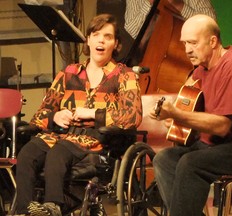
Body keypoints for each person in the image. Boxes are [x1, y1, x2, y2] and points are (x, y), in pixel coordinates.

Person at [150, 14, 232, 216]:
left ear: (212, 41)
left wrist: (177, 114)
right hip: (223, 143)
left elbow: (222, 125)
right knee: (164, 158)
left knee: (191, 163)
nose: (187, 50)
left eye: (193, 43)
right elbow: (194, 112)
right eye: (184, 43)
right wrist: (175, 120)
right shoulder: (200, 71)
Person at [15, 13, 142, 216]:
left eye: (108, 36)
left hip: (93, 139)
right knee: (28, 153)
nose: (101, 40)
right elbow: (41, 114)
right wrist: (55, 117)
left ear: (116, 44)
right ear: (88, 40)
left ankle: (52, 207)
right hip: (59, 134)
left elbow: (132, 116)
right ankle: (24, 211)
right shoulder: (69, 73)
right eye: (96, 34)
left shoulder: (124, 75)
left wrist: (93, 113)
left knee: (59, 152)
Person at [125, 0, 216, 40]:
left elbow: (211, 23)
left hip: (187, 57)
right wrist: (149, 4)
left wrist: (179, 5)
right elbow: (132, 31)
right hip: (150, 57)